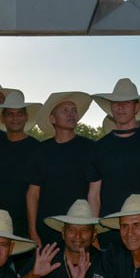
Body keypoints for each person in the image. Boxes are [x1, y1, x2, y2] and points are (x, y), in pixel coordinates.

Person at [88, 78, 140, 246]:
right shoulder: (99, 147)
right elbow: (94, 195)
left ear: (136, 107)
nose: (120, 106)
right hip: (108, 231)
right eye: (116, 102)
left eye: (127, 102)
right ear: (111, 107)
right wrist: (93, 231)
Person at [27, 91, 94, 246]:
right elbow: (32, 194)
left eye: (74, 110)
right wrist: (32, 230)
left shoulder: (90, 148)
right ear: (52, 118)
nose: (71, 114)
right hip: (47, 228)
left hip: (81, 228)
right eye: (65, 110)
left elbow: (96, 192)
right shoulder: (41, 151)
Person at [18, 199, 104, 278]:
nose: (77, 236)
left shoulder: (103, 262)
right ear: (63, 233)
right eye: (72, 230)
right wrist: (32, 275)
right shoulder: (47, 255)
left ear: (94, 235)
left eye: (85, 230)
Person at [0, 89, 41, 269]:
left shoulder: (37, 148)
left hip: (27, 227)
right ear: (3, 118)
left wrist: (33, 229)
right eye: (10, 114)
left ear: (26, 117)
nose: (15, 118)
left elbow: (37, 192)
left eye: (19, 113)